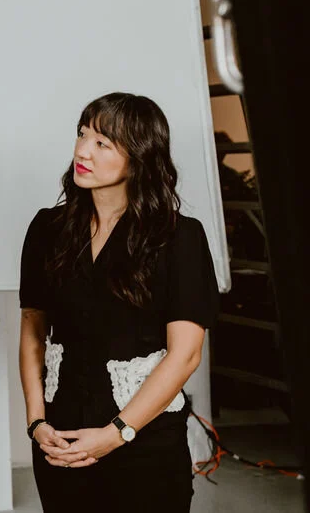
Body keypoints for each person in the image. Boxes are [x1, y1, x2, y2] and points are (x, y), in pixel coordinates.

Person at [18, 92, 219, 512]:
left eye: (101, 143)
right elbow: (33, 335)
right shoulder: (47, 229)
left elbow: (186, 355)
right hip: (61, 442)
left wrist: (116, 433)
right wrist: (37, 423)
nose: (81, 150)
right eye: (81, 134)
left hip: (145, 445)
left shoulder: (180, 237)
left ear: (140, 157)